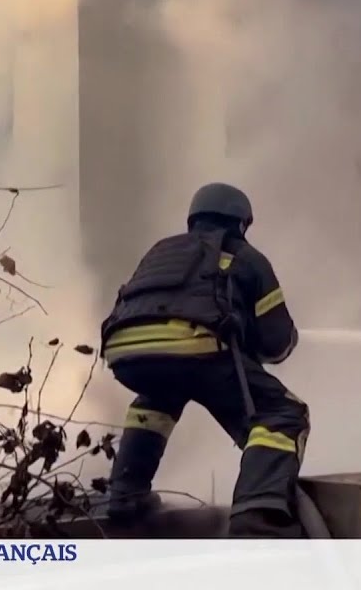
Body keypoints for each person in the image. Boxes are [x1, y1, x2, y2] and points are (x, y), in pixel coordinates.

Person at [100, 182, 307, 538]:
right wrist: (281, 342)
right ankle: (258, 512)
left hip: (126, 349)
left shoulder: (162, 251)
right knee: (282, 413)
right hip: (195, 345)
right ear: (241, 222)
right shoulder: (246, 257)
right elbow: (275, 343)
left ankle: (125, 496)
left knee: (155, 402)